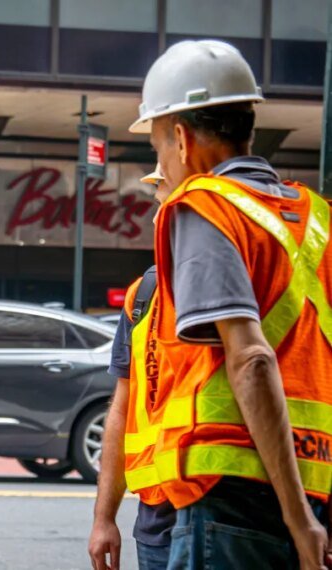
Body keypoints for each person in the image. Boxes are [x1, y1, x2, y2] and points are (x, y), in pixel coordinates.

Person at [132, 40, 331, 568]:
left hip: (235, 494)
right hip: (318, 483)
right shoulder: (318, 219)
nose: (163, 167)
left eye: (157, 147)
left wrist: (296, 518)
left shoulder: (203, 206)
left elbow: (251, 358)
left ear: (179, 137)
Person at [89, 165, 177, 570]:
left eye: (166, 200)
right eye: (159, 204)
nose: (158, 217)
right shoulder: (144, 295)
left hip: (225, 506)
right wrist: (104, 518)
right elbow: (122, 408)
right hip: (157, 516)